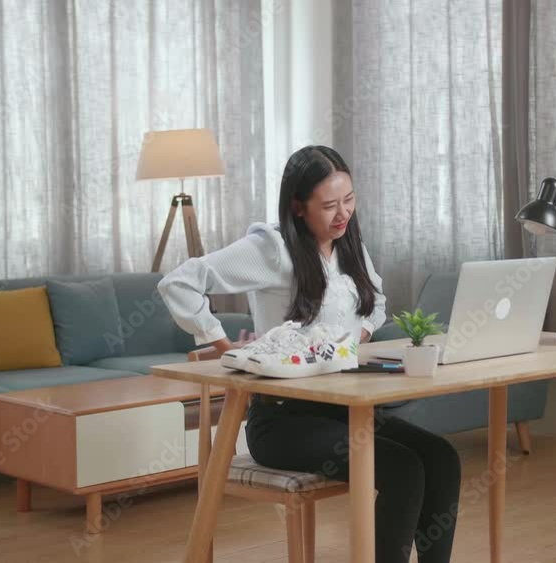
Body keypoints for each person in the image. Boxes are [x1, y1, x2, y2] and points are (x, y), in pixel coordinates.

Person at [158, 145, 461, 563]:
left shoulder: (347, 242)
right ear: (298, 208)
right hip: (283, 420)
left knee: (441, 457)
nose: (343, 215)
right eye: (330, 205)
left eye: (349, 200)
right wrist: (227, 347)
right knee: (403, 469)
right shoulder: (271, 248)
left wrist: (355, 339)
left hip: (342, 408)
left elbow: (376, 301)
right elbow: (180, 282)